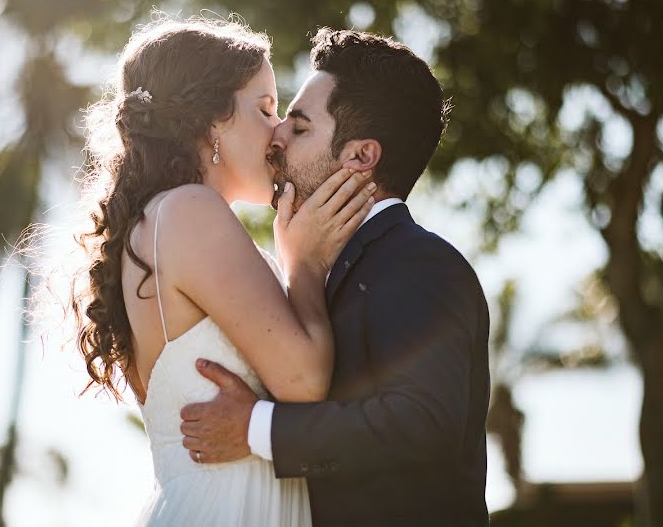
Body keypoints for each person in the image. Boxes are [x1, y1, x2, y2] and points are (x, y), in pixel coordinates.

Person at [69, 17, 375, 526]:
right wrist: (304, 262)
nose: (279, 132)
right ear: (210, 122)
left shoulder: (164, 220)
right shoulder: (190, 211)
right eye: (264, 108)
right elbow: (302, 379)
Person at [179, 28, 491, 526]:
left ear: (361, 157)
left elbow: (422, 424)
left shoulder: (418, 262)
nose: (276, 135)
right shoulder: (316, 267)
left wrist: (256, 428)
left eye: (299, 128)